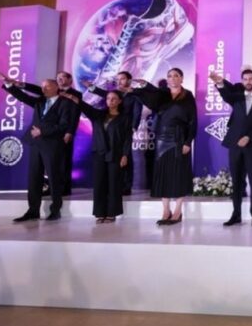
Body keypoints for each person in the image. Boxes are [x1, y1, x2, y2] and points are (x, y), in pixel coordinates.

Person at [0, 70, 71, 221]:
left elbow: (63, 126)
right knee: (34, 177)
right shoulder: (40, 101)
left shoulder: (65, 103)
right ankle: (33, 210)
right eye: (42, 87)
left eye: (47, 86)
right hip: (36, 143)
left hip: (52, 145)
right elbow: (22, 96)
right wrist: (8, 83)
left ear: (55, 87)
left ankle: (55, 210)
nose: (43, 89)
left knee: (53, 177)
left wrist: (42, 131)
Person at [129, 68, 197, 225]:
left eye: (176, 76)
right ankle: (166, 210)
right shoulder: (163, 95)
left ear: (182, 78)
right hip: (162, 138)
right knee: (163, 174)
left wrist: (188, 142)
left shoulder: (188, 96)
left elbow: (193, 121)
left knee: (179, 174)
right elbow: (150, 96)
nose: (172, 78)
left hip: (179, 138)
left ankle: (178, 211)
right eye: (169, 76)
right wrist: (142, 86)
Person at [210, 69, 252, 227]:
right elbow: (226, 95)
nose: (248, 81)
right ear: (242, 81)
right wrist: (220, 83)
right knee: (236, 180)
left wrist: (249, 137)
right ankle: (236, 215)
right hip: (235, 143)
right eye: (245, 79)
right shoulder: (236, 95)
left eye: (251, 79)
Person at [61, 90, 132, 223]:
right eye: (108, 98)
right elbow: (84, 106)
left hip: (115, 154)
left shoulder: (125, 118)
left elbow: (128, 138)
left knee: (113, 184)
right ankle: (100, 212)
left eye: (114, 98)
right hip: (99, 152)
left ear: (119, 101)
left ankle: (112, 213)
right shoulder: (98, 115)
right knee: (99, 184)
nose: (110, 101)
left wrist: (125, 155)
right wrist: (72, 97)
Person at [20, 71, 82, 196]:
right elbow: (37, 89)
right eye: (58, 77)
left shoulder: (75, 94)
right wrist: (22, 85)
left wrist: (70, 131)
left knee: (64, 160)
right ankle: (52, 187)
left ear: (70, 80)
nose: (60, 79)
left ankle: (64, 188)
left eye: (62, 77)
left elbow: (74, 115)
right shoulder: (50, 93)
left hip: (63, 131)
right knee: (50, 162)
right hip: (49, 134)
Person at [84, 71, 143, 196]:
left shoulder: (135, 95)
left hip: (125, 128)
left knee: (126, 156)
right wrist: (92, 87)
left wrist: (133, 127)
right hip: (112, 129)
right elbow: (103, 93)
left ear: (129, 80)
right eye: (118, 79)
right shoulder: (114, 94)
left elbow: (137, 112)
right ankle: (113, 185)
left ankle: (126, 186)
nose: (119, 81)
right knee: (112, 157)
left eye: (122, 78)